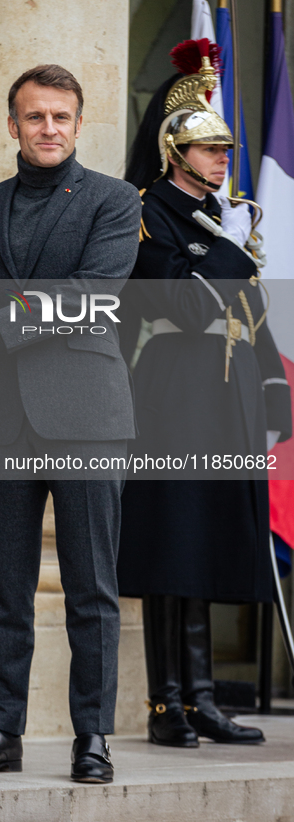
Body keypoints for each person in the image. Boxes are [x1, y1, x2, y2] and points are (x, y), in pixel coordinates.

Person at [0, 64, 142, 783]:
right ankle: (0, 734)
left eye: (60, 117)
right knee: (4, 589)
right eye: (33, 117)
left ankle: (92, 737)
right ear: (12, 125)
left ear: (79, 125)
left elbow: (90, 296)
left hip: (87, 419)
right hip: (4, 417)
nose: (47, 128)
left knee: (90, 588)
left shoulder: (114, 202)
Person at [116, 39, 292, 748]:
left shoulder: (225, 220)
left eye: (224, 148)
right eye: (209, 148)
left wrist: (275, 396)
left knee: (211, 543)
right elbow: (186, 306)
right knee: (172, 548)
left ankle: (201, 697)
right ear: (173, 150)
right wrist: (214, 270)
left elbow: (247, 315)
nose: (223, 158)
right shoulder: (145, 214)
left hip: (228, 400)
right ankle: (166, 705)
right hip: (170, 399)